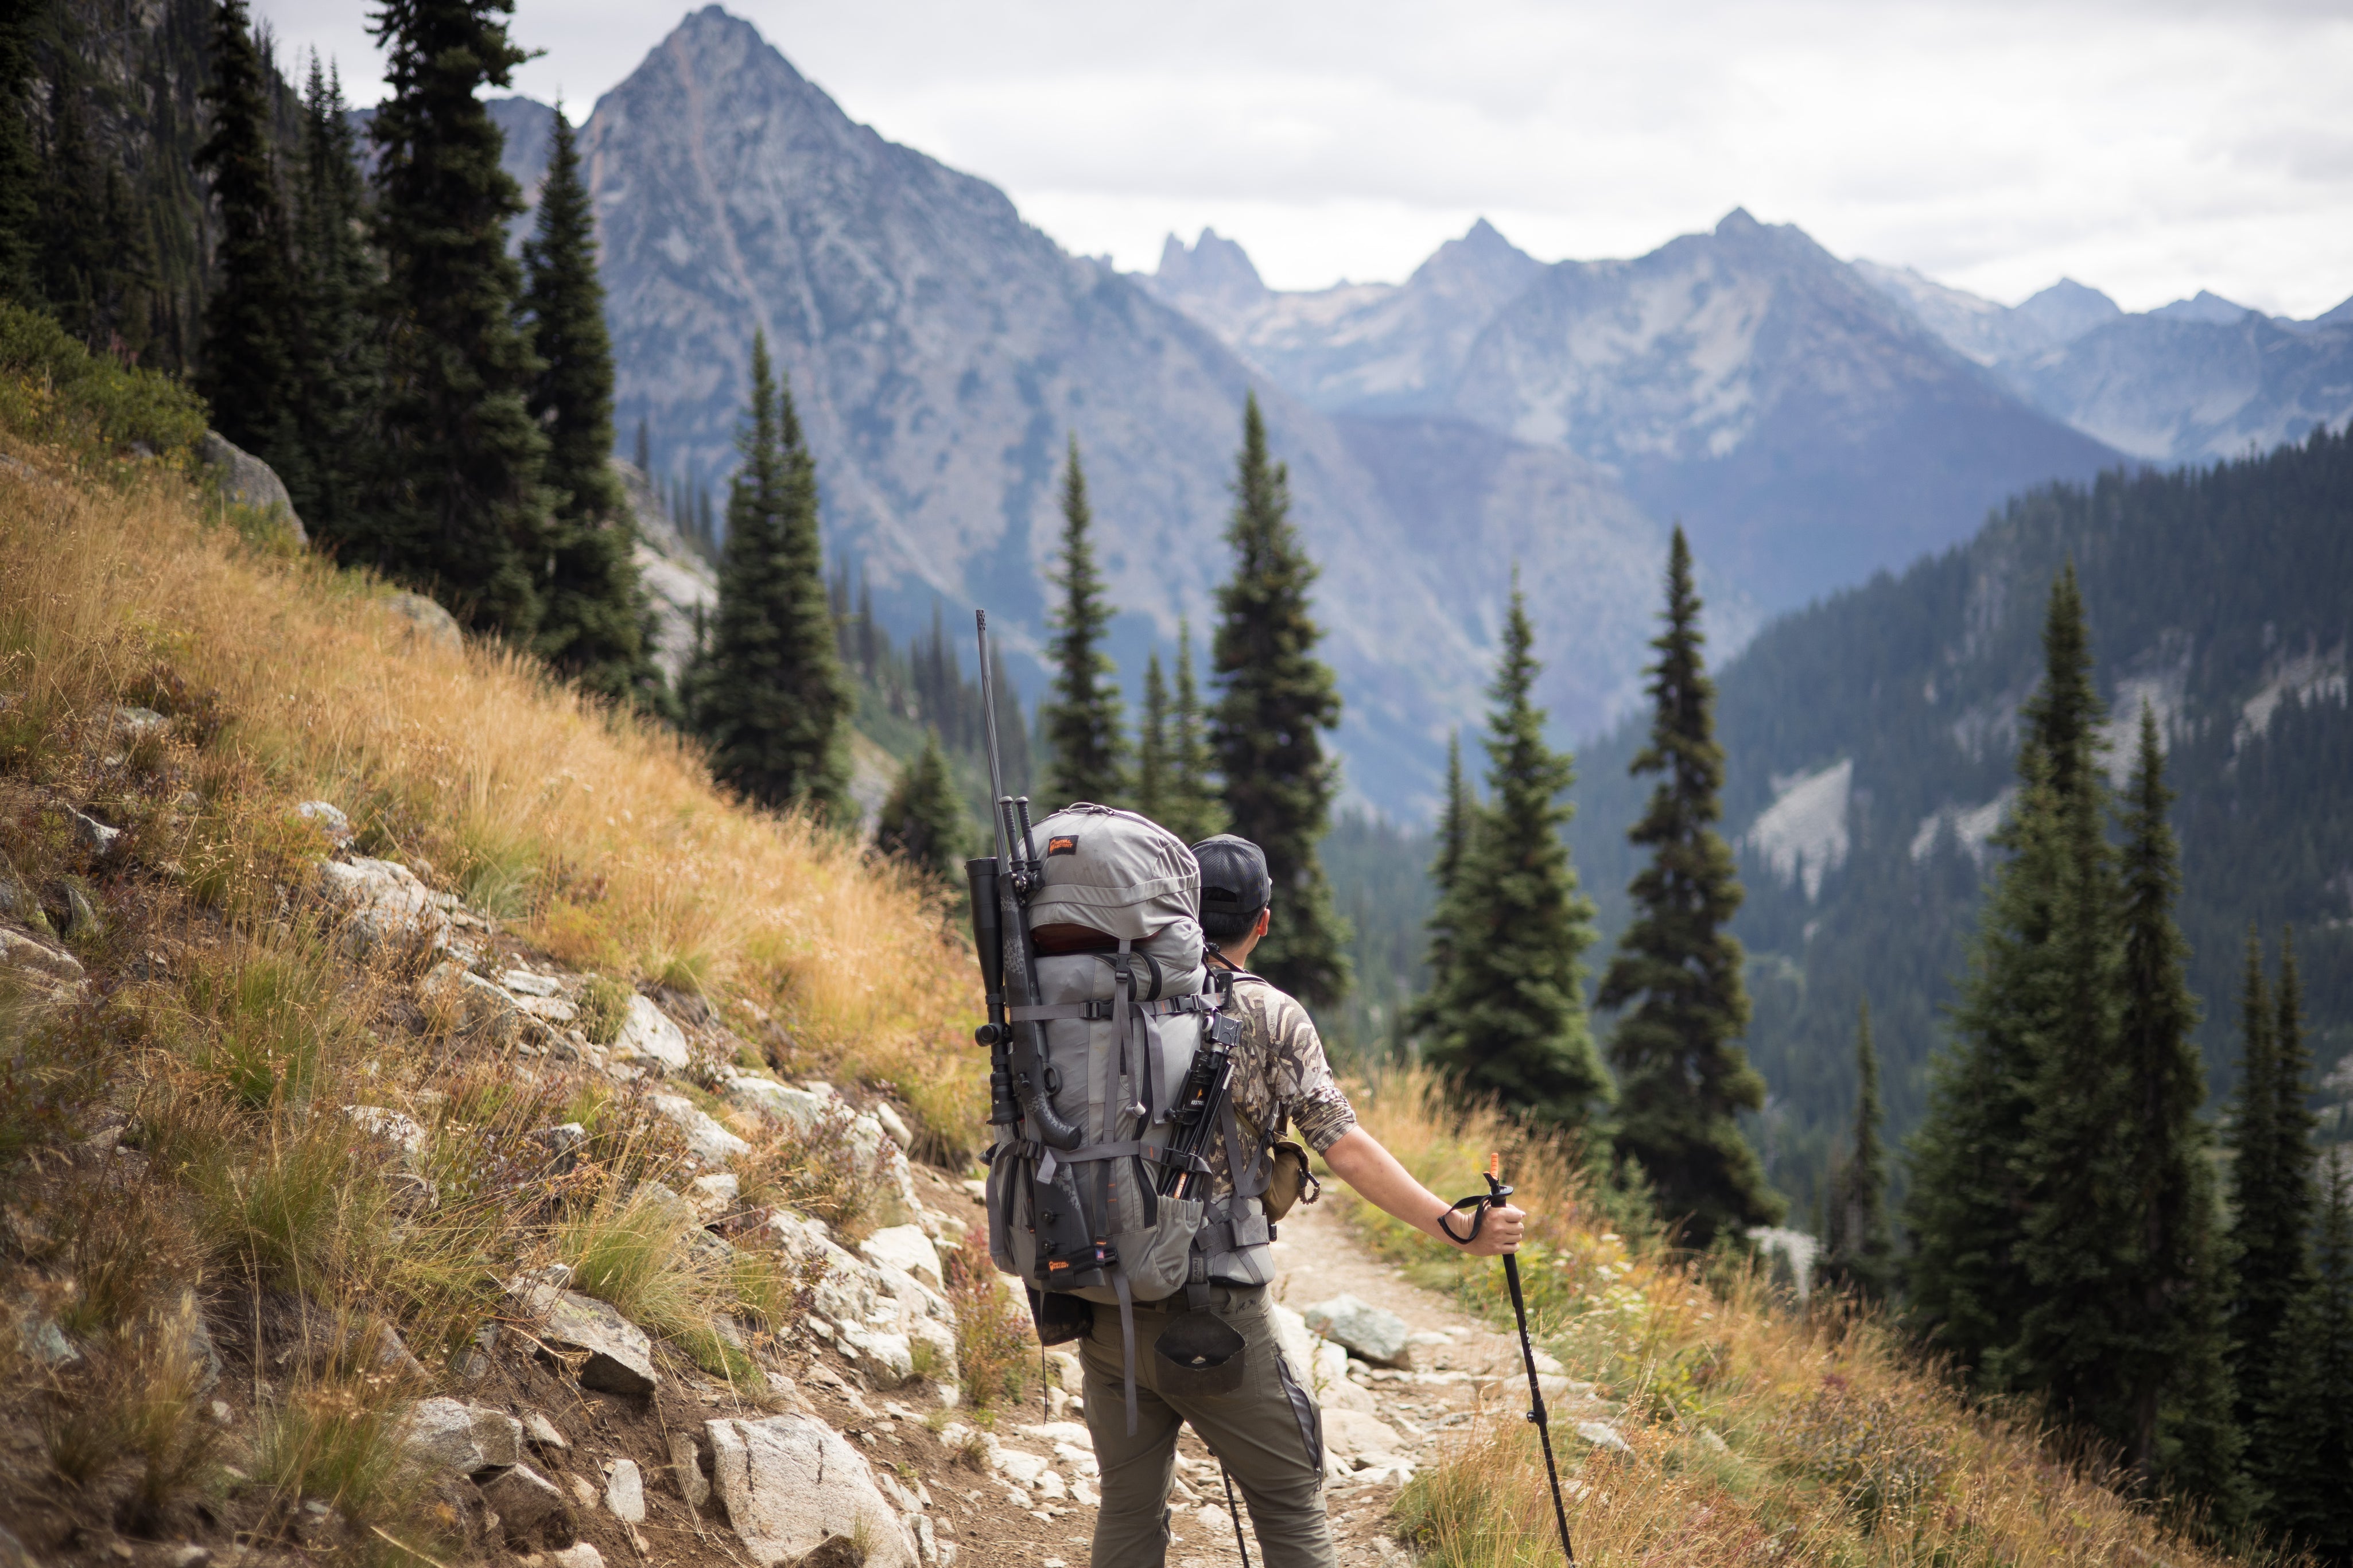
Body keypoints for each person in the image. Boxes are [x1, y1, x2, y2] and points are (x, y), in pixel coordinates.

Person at [1078, 833, 1527, 1568]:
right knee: (1289, 1497)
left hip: (1102, 1290)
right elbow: (1341, 1147)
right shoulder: (1271, 1014)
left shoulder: (1112, 996)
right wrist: (1455, 1228)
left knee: (1128, 1508)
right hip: (1211, 1303)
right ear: (1262, 920)